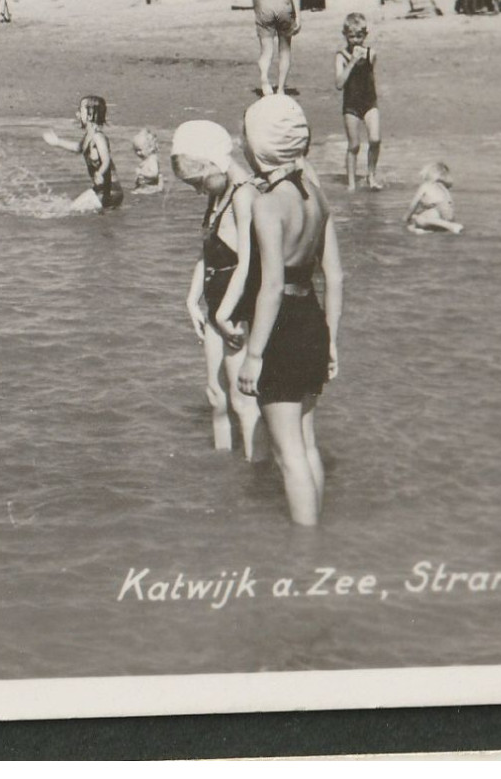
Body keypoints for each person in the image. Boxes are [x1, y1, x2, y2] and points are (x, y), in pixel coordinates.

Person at [233, 95, 343, 526]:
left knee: (287, 453)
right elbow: (334, 277)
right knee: (307, 443)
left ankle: (303, 553)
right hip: (313, 321)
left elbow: (272, 286)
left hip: (279, 331)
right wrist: (331, 338)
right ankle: (317, 536)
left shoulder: (267, 204)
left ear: (259, 147)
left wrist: (254, 356)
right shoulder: (317, 197)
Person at [171, 119, 262, 458]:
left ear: (214, 163)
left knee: (243, 399)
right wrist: (191, 299)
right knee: (216, 395)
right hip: (216, 308)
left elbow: (251, 264)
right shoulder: (219, 195)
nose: (197, 190)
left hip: (236, 311)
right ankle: (224, 471)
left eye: (197, 182)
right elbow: (208, 250)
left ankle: (254, 471)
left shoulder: (244, 196)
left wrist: (225, 317)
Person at [42, 95, 123, 212]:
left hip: (109, 191)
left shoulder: (98, 137)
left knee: (71, 210)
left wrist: (100, 173)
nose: (77, 114)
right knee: (102, 225)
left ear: (90, 115)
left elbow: (106, 160)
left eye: (80, 110)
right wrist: (57, 142)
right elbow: (78, 148)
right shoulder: (88, 137)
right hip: (104, 190)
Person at [333, 13, 382, 190]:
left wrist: (362, 59)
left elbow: (368, 77)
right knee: (354, 145)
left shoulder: (371, 54)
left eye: (359, 36)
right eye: (351, 36)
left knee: (375, 139)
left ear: (365, 36)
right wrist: (352, 61)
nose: (355, 40)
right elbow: (339, 84)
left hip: (369, 102)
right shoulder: (341, 56)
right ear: (345, 35)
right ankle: (352, 184)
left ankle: (371, 176)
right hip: (351, 105)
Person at [405, 162, 463, 234]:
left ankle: (450, 226)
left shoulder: (425, 186)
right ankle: (441, 228)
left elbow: (412, 206)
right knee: (414, 220)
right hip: (449, 216)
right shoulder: (444, 188)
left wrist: (405, 218)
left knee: (419, 219)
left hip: (438, 212)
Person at [131, 128, 163, 193]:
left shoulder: (152, 160)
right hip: (146, 186)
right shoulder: (146, 160)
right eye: (136, 150)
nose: (138, 153)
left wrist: (141, 173)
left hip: (152, 188)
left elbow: (154, 174)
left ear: (150, 148)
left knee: (137, 193)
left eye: (140, 150)